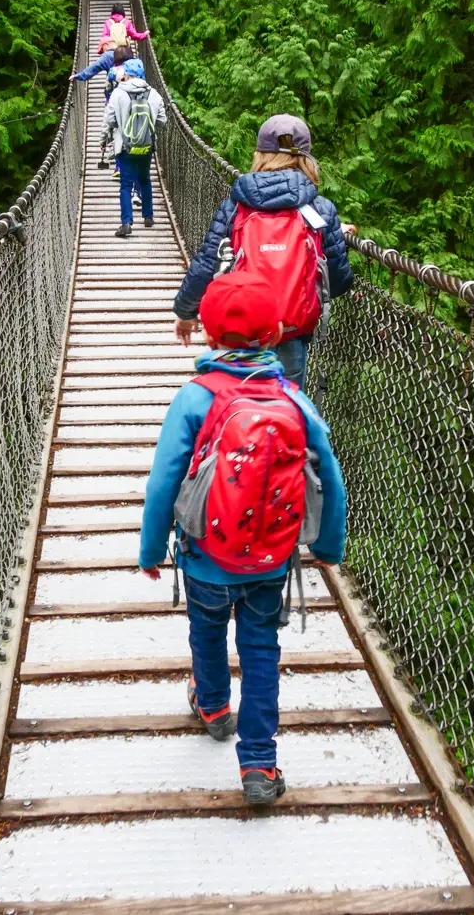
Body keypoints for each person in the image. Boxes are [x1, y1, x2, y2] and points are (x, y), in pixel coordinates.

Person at [139, 272, 346, 805]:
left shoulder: (193, 397)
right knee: (260, 650)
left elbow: (164, 478)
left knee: (206, 633)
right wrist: (326, 548)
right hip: (270, 561)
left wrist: (150, 548)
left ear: (208, 335)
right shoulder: (293, 399)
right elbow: (330, 475)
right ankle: (258, 762)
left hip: (205, 558)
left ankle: (211, 707)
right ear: (276, 332)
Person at [172, 114, 353, 388]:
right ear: (306, 159)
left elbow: (207, 264)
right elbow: (339, 280)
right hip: (291, 333)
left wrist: (185, 313)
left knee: (234, 401)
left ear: (259, 155)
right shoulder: (320, 210)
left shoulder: (236, 206)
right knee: (285, 406)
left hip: (238, 334)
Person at [102, 58, 166, 237]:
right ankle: (148, 217)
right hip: (146, 147)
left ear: (127, 75)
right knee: (145, 179)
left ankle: (126, 223)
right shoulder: (154, 94)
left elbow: (110, 120)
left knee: (126, 184)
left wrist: (107, 137)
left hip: (125, 147)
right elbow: (162, 121)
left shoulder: (118, 93)